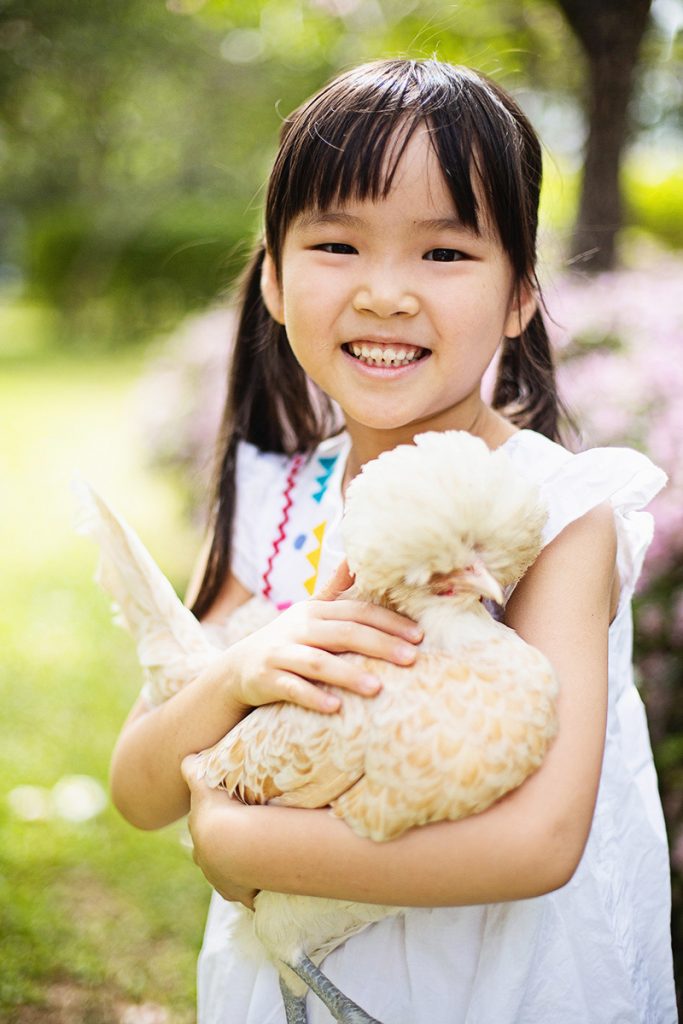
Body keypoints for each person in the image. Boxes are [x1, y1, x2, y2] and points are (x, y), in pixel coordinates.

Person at [108, 59, 676, 1022]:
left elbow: (538, 845)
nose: (383, 293)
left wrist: (236, 842)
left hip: (497, 995)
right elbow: (138, 785)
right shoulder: (284, 498)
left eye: (443, 254)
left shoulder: (549, 515)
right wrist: (238, 676)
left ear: (518, 296)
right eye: (336, 245)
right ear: (276, 279)